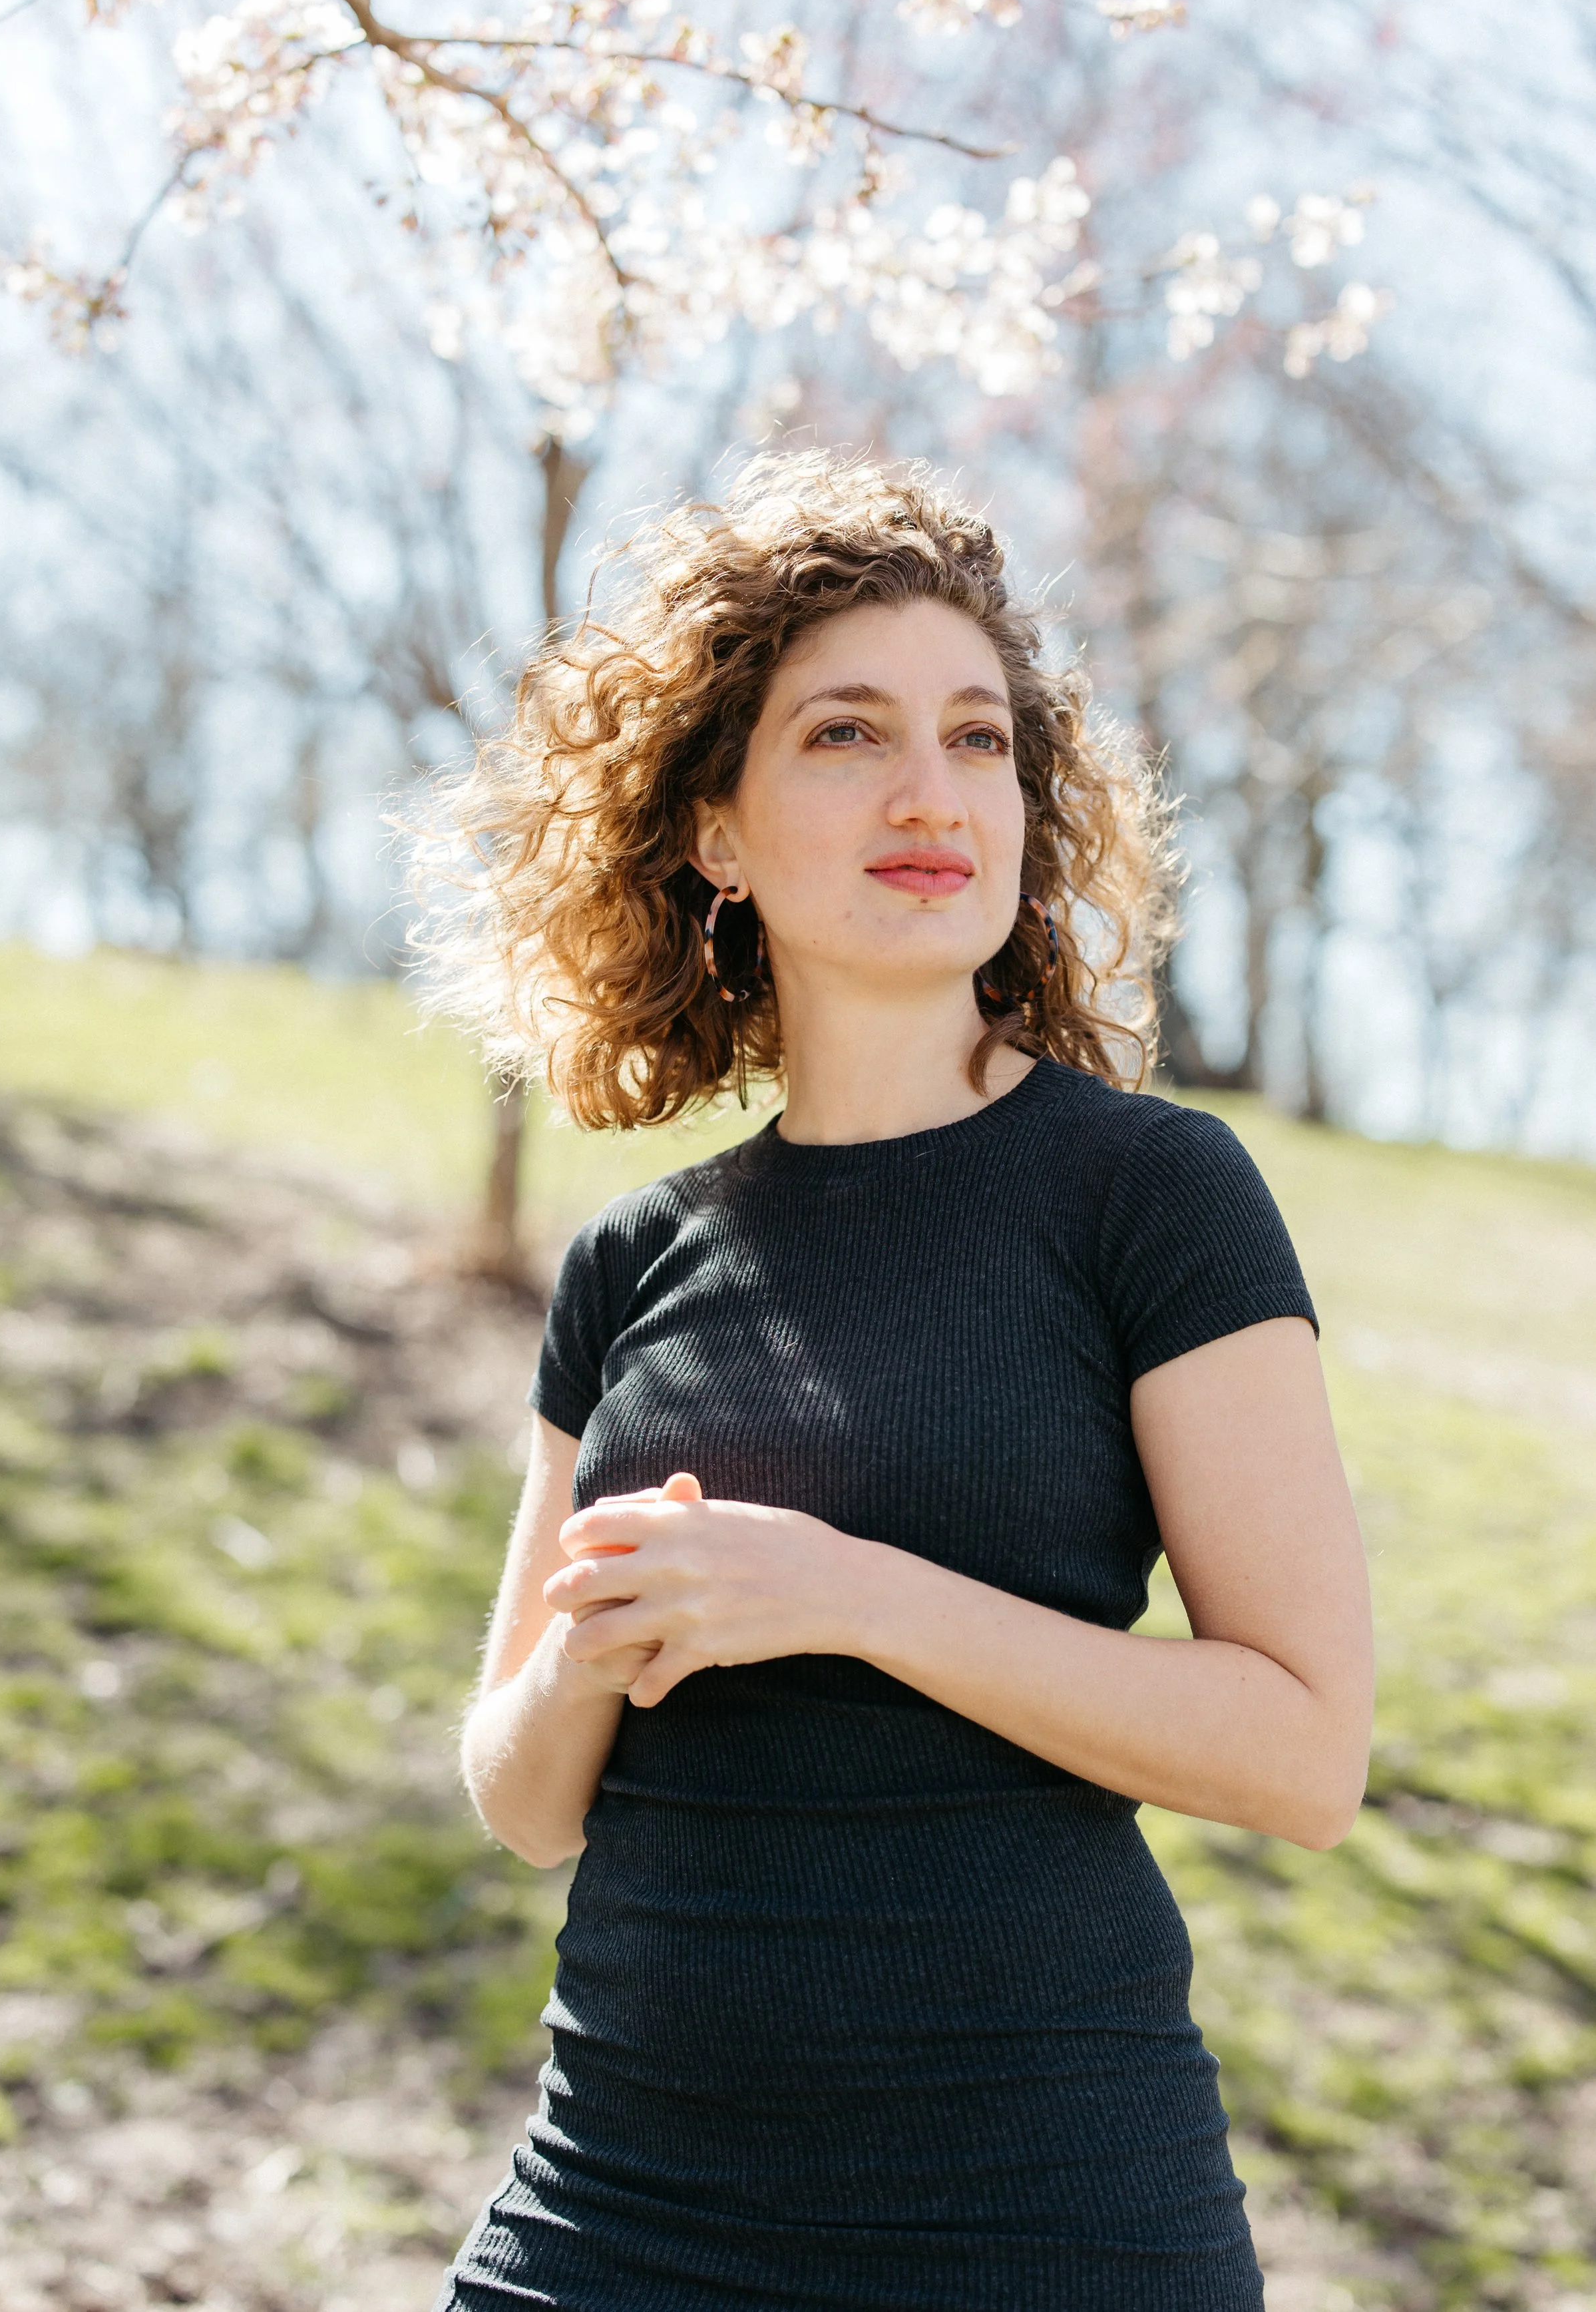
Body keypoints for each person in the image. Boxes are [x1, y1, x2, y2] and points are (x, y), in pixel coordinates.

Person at [421, 451, 1374, 2312]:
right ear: (715, 827)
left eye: (977, 738)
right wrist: (590, 1647)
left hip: (1035, 2212)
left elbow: (1301, 1748)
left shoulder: (1148, 1194)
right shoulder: (631, 1260)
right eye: (846, 733)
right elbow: (524, 1797)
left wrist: (846, 1598)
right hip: (615, 2205)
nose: (932, 791)